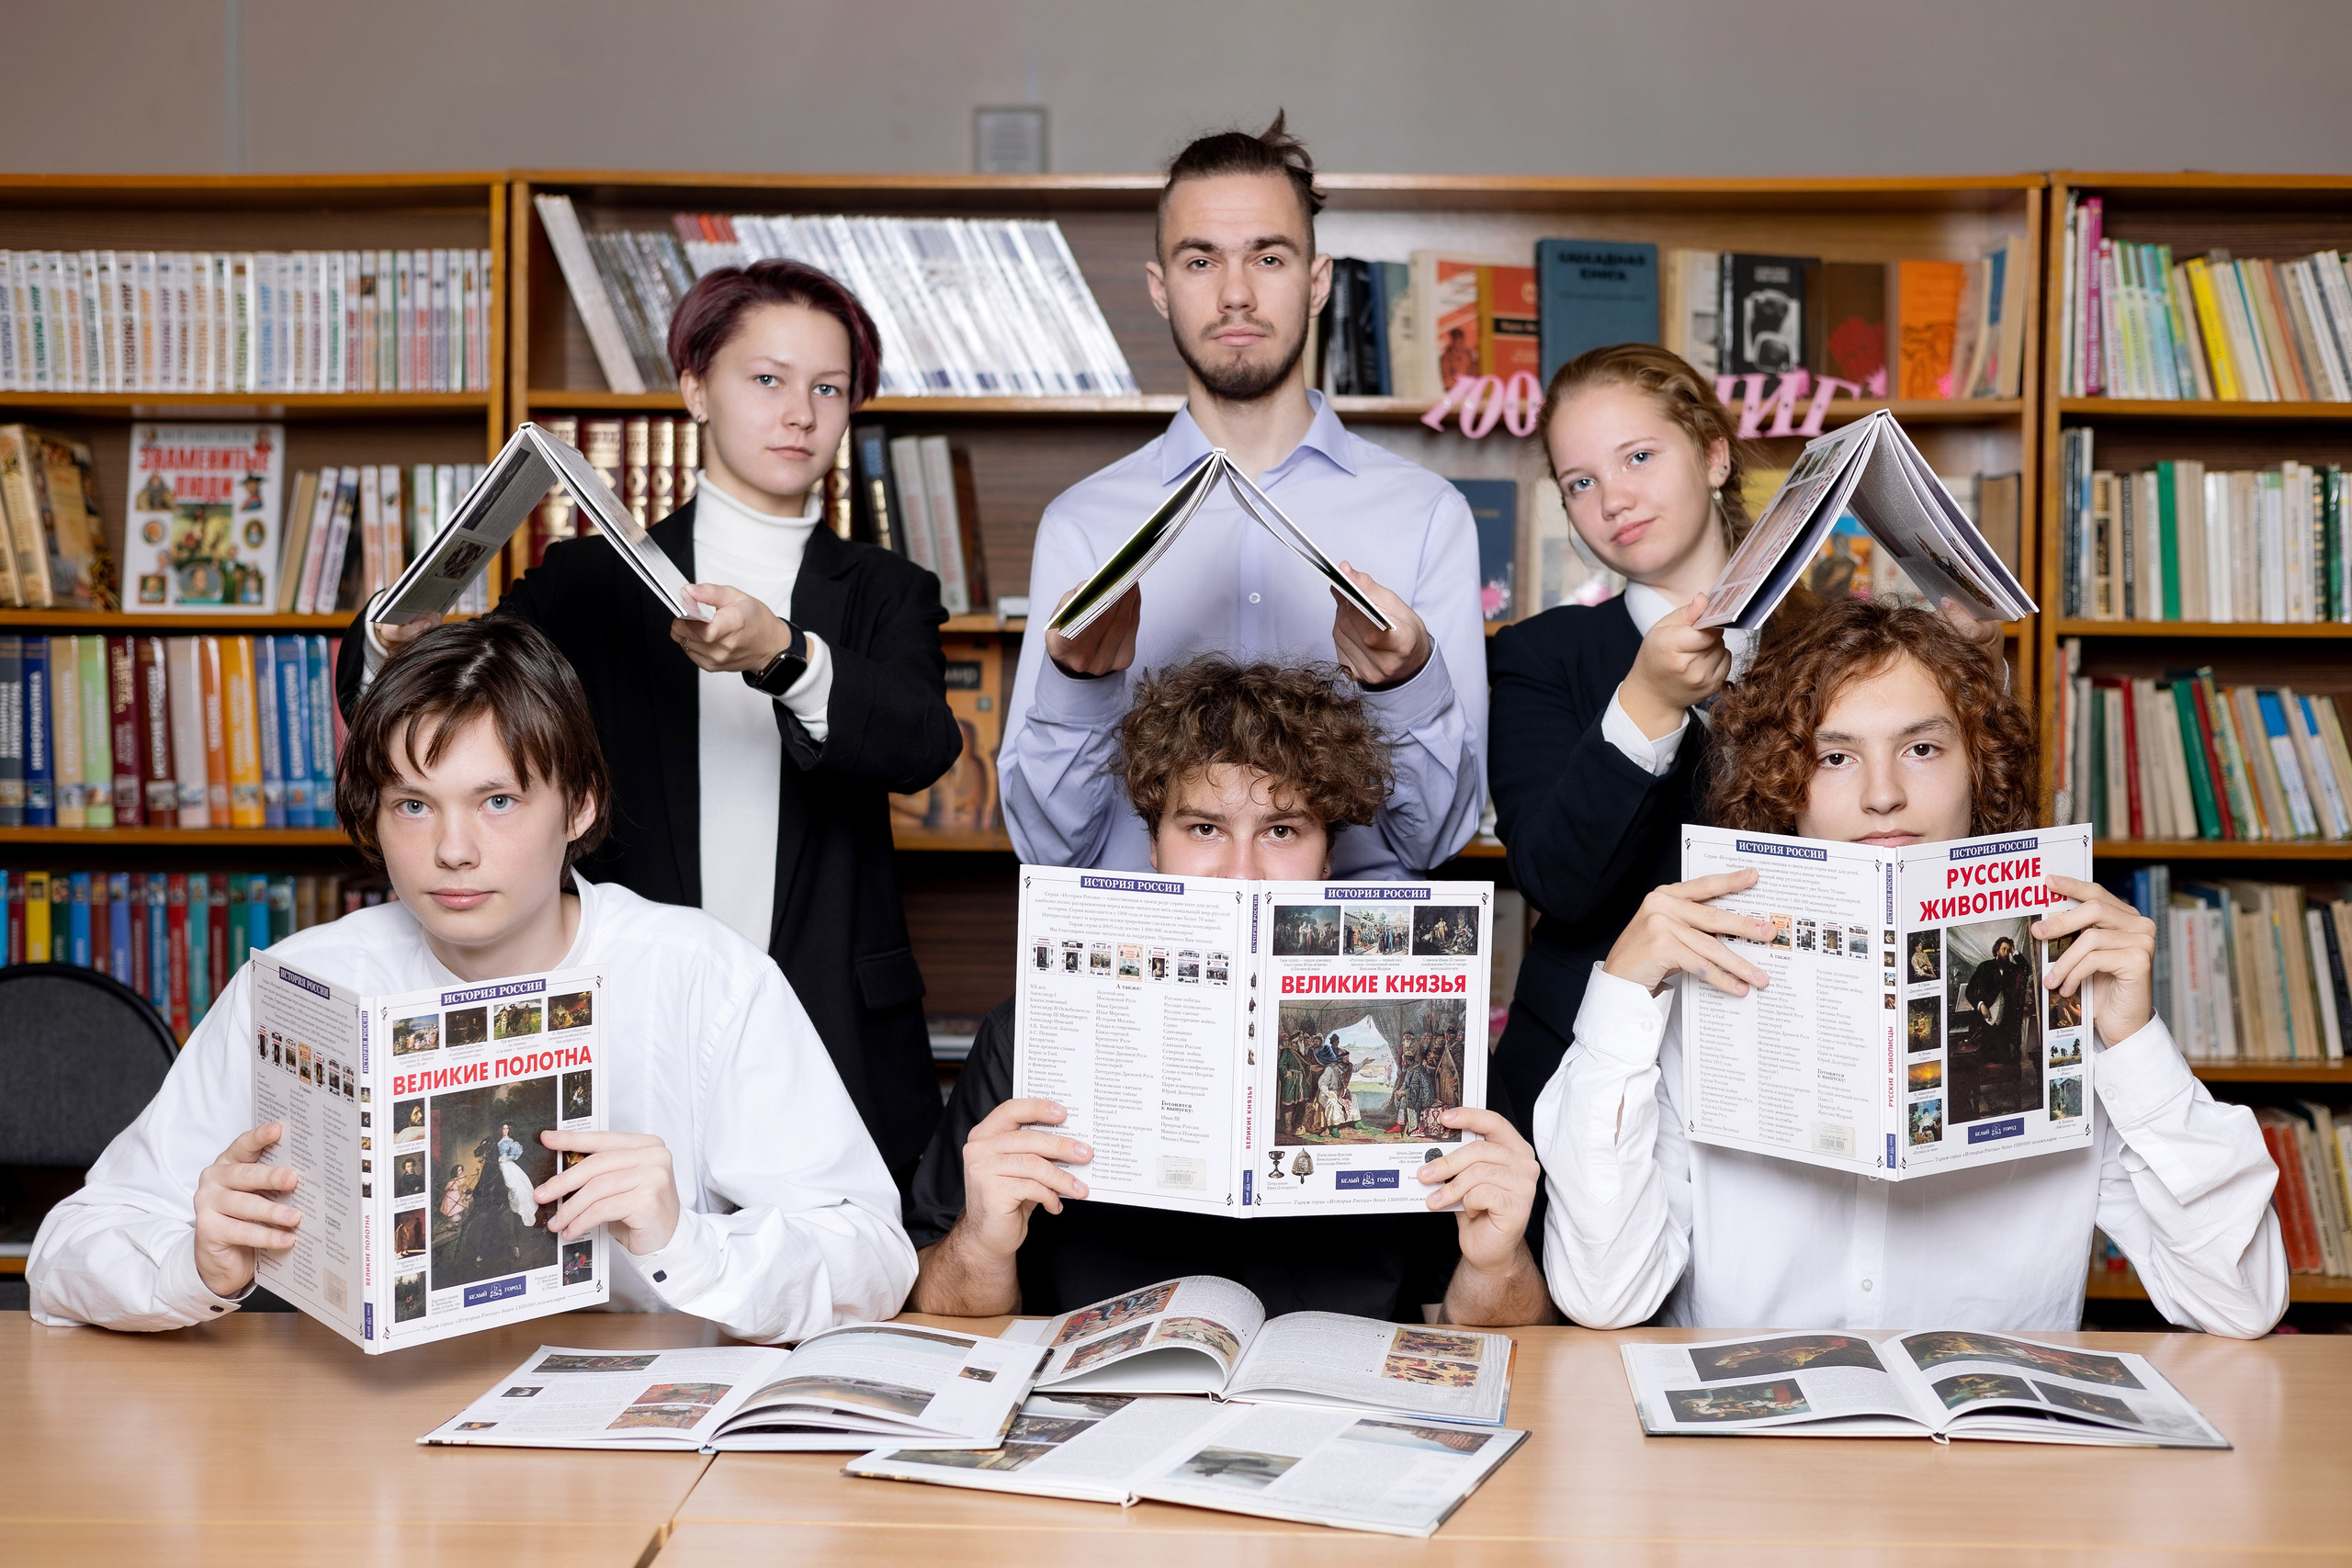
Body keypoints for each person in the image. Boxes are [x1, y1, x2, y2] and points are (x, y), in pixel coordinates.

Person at [32, 617, 914, 1341]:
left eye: (498, 801)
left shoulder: (704, 976)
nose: (452, 850)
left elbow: (873, 1259)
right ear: (374, 818)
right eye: (414, 805)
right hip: (365, 1435)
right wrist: (198, 1259)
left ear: (579, 805)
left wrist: (687, 1238)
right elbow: (69, 1246)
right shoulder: (306, 984)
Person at [344, 259, 957, 1187]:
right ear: (695, 390)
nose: (799, 412)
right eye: (766, 380)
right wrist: (392, 645)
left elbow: (921, 743)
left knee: (839, 1289)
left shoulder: (886, 591)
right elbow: (445, 726)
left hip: (836, 1026)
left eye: (828, 388)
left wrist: (783, 655)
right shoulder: (587, 581)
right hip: (627, 1024)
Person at [1533, 596, 2286, 1335]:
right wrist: (1623, 1002)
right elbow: (1605, 1294)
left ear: (1979, 768)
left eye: (1922, 749)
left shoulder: (2070, 989)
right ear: (1781, 784)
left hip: (1990, 1444)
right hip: (1754, 1445)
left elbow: (2241, 1301)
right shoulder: (1701, 989)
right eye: (1835, 756)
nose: (1883, 795)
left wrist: (2136, 1043)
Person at [908, 656, 1549, 1325]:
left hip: (1335, 1406)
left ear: (1327, 860)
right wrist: (980, 1244)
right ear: (1154, 848)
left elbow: (1503, 1334)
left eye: (1280, 830)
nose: (1241, 874)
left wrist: (1496, 1261)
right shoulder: (1026, 1032)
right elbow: (937, 1303)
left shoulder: (1457, 1038)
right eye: (1204, 827)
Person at [1487, 344, 2002, 1144]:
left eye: (1639, 456)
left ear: (1716, 457)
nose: (1614, 497)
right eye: (1580, 482)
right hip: (1594, 1076)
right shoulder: (1539, 654)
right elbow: (1558, 881)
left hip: (1803, 1053)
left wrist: (1973, 679)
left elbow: (1938, 839)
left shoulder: (1841, 639)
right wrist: (1647, 703)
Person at [1000, 113, 1485, 880]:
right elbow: (1047, 850)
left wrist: (1408, 682)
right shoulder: (1083, 525)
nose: (1234, 293)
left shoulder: (1427, 516)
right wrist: (1079, 689)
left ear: (1317, 281)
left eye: (1268, 256)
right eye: (1200, 261)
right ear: (1160, 289)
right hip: (1154, 971)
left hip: (1339, 980)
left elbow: (1437, 841)